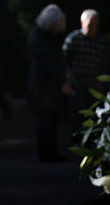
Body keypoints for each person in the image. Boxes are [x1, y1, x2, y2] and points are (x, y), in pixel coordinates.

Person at [27, 4, 74, 162]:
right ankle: (45, 153)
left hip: (50, 83)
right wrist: (61, 77)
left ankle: (51, 151)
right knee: (45, 119)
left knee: (52, 118)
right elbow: (45, 62)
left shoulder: (48, 36)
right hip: (43, 84)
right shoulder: (39, 37)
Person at [62, 9, 108, 132]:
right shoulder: (74, 38)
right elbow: (63, 60)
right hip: (76, 84)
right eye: (89, 25)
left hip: (93, 85)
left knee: (92, 114)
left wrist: (102, 83)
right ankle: (75, 140)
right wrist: (66, 79)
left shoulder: (100, 43)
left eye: (95, 25)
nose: (92, 28)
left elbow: (103, 64)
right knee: (77, 114)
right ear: (82, 23)